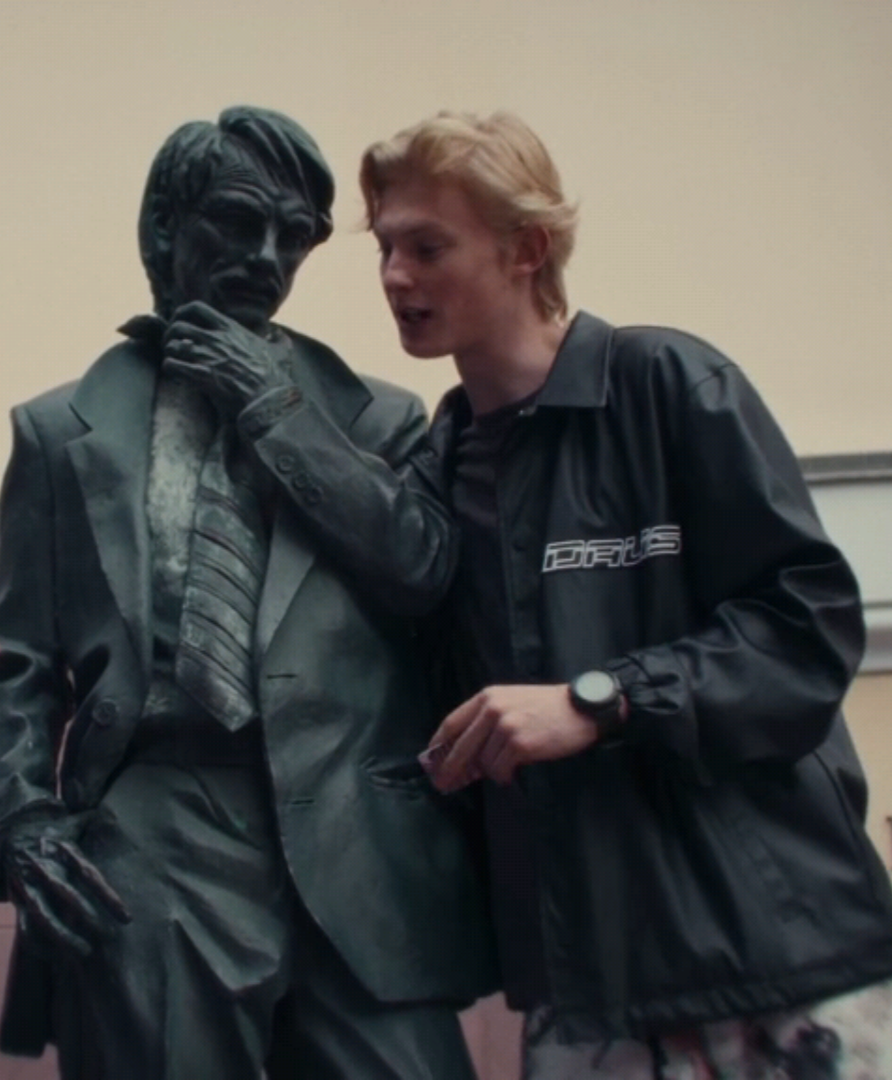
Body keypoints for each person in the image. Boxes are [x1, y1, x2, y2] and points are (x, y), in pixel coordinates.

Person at [360, 111, 892, 1079]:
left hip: (782, 970)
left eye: (427, 247)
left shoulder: (667, 385)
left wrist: (597, 702)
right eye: (384, 247)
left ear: (527, 248)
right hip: (583, 1001)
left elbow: (805, 634)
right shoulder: (434, 470)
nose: (395, 276)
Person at [0, 106, 495, 1080]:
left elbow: (421, 573)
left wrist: (275, 412)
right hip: (158, 820)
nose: (267, 257)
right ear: (163, 228)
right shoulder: (62, 434)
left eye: (294, 236)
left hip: (358, 831)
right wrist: (20, 816)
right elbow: (13, 662)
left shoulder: (376, 418)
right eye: (236, 221)